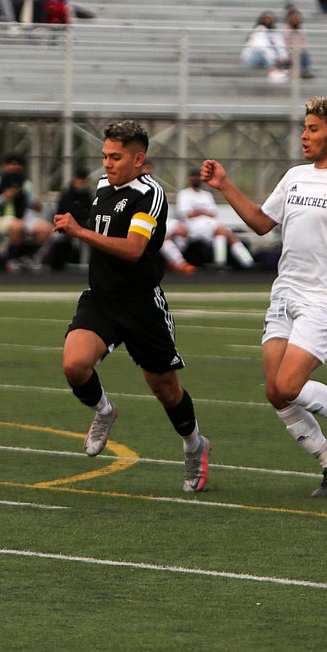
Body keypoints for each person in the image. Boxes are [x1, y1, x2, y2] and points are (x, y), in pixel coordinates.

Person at [200, 96, 327, 498]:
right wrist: (224, 185)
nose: (305, 135)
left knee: (288, 385)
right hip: (285, 293)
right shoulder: (294, 176)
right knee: (275, 391)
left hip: (322, 300)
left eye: (313, 129)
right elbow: (262, 223)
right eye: (304, 128)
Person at [53, 120, 211, 493]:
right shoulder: (104, 186)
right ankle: (105, 411)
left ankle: (194, 445)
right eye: (105, 155)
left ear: (139, 158)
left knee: (166, 389)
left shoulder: (149, 193)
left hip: (142, 304)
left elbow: (134, 248)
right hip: (102, 299)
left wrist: (80, 232)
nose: (107, 163)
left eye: (116, 156)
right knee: (74, 365)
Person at [173, 168, 256, 268]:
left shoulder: (207, 195)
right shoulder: (184, 194)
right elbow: (186, 214)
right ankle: (224, 262)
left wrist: (198, 212)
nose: (196, 179)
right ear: (189, 179)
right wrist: (203, 212)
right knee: (221, 230)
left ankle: (247, 262)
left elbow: (212, 213)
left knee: (227, 234)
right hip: (192, 226)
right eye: (193, 177)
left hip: (209, 224)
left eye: (198, 177)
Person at [0, 153, 52, 271]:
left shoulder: (26, 184)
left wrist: (37, 206)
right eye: (11, 165)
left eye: (17, 165)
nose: (14, 168)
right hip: (2, 219)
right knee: (17, 226)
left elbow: (33, 203)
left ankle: (29, 257)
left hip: (24, 218)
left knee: (45, 228)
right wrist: (5, 196)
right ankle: (13, 259)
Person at [240, 11, 291, 82]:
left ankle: (280, 72)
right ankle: (275, 72)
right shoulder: (258, 30)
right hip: (253, 58)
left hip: (268, 59)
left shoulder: (276, 33)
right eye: (266, 18)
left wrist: (284, 58)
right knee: (261, 52)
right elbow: (263, 47)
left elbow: (280, 47)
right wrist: (274, 60)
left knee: (284, 56)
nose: (268, 21)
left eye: (270, 19)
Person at [282, 5, 314, 78]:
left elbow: (303, 43)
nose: (295, 19)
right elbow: (285, 42)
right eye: (293, 17)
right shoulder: (285, 28)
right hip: (288, 51)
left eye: (296, 17)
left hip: (299, 50)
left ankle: (304, 71)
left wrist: (299, 49)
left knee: (304, 53)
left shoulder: (301, 28)